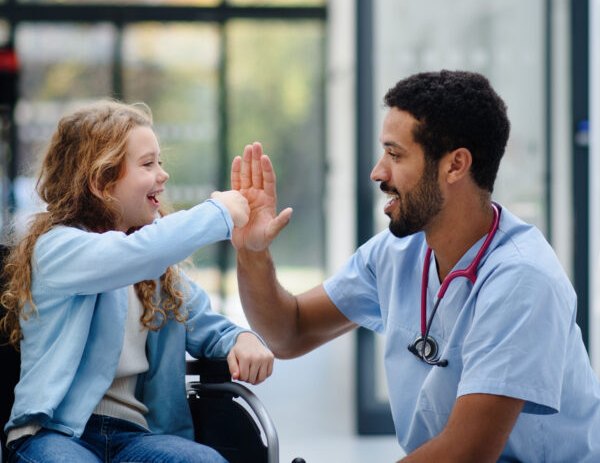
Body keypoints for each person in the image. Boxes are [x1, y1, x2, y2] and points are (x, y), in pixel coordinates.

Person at [231, 70, 600, 462]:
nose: (377, 172)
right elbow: (290, 332)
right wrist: (253, 252)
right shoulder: (396, 253)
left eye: (395, 154)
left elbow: (467, 453)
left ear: (455, 166)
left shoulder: (522, 279)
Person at [0, 100, 274, 463]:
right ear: (100, 181)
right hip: (57, 434)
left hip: (136, 438)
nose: (163, 175)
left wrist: (242, 338)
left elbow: (208, 326)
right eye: (148, 164)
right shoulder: (58, 248)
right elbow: (131, 255)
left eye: (160, 162)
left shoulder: (158, 273)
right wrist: (219, 213)